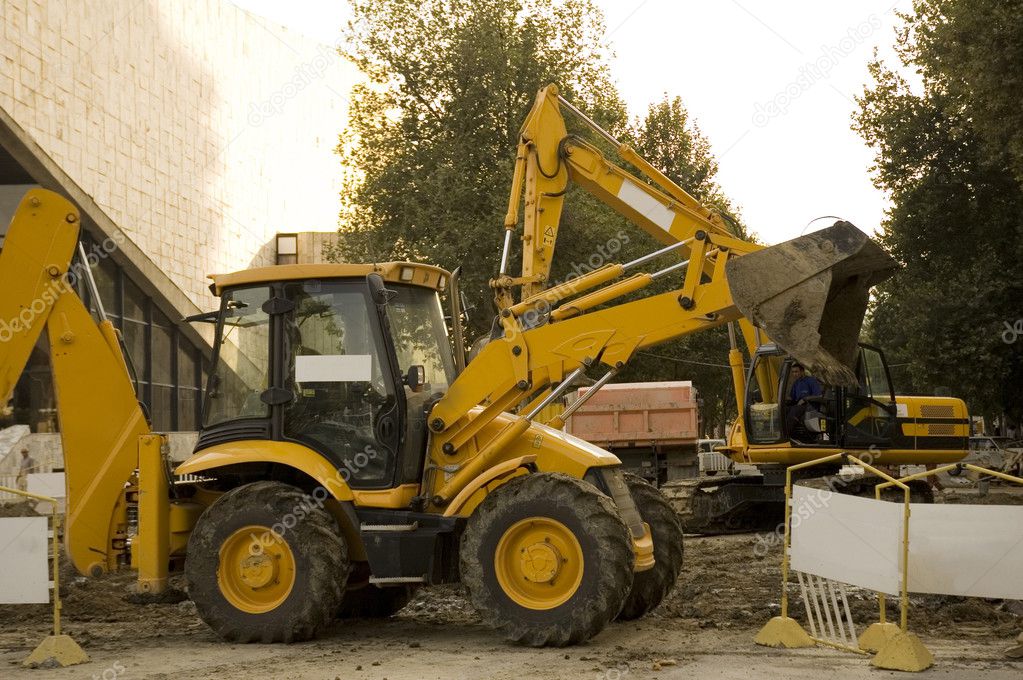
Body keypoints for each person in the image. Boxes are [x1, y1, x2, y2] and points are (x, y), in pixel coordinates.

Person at [787, 363, 823, 441]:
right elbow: (792, 398)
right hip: (799, 406)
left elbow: (819, 396)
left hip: (810, 406)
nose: (794, 374)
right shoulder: (796, 383)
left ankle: (787, 434)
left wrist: (805, 399)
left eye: (796, 372)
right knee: (784, 409)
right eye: (793, 372)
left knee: (795, 410)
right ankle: (792, 435)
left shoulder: (811, 381)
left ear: (802, 371)